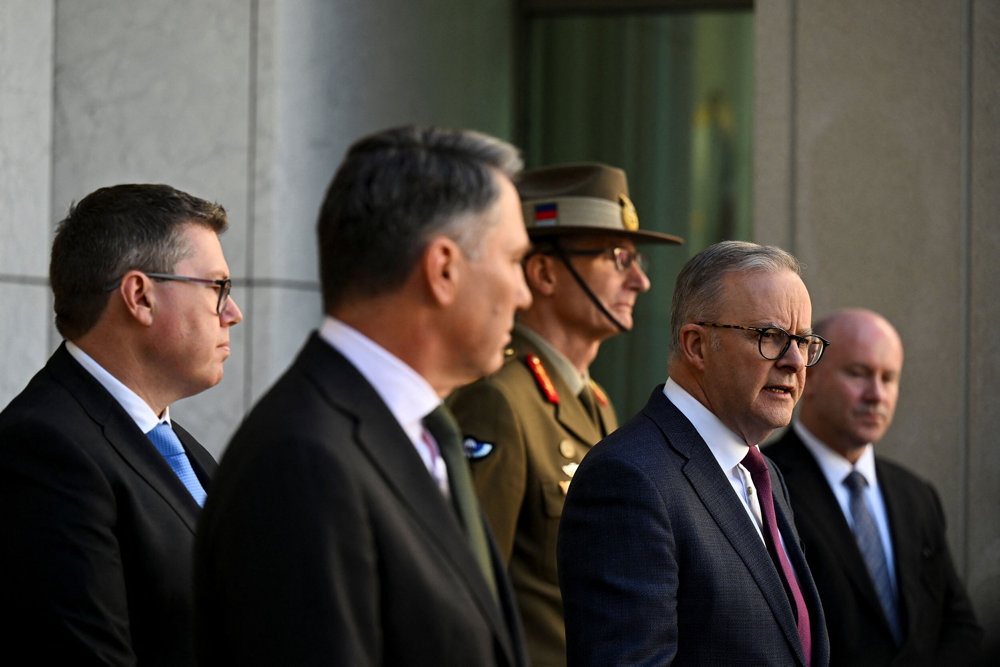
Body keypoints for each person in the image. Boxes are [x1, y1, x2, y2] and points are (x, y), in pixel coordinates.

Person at [194, 125, 532, 665]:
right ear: (443, 268)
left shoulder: (421, 433)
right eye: (514, 260)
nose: (524, 291)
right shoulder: (302, 462)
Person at [447, 162, 682, 666]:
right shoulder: (499, 401)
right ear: (545, 273)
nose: (639, 279)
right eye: (618, 257)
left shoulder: (594, 404)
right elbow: (468, 597)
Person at [557, 240, 832, 666]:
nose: (795, 361)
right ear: (697, 346)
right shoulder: (628, 479)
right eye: (771, 337)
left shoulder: (764, 474)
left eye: (804, 341)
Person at [0, 183, 243, 665]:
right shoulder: (44, 449)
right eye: (218, 288)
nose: (232, 314)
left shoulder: (175, 446)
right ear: (140, 296)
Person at [764, 308, 983, 666]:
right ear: (809, 375)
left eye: (889, 377)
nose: (876, 394)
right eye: (858, 373)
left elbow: (960, 625)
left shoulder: (916, 495)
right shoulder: (762, 486)